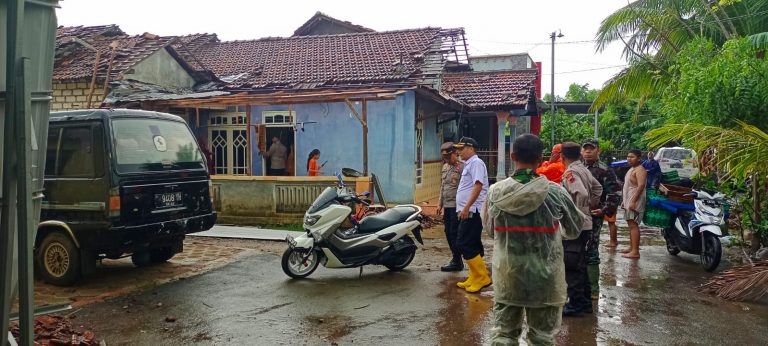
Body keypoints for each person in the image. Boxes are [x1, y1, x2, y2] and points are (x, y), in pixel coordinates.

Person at [482, 134, 584, 345]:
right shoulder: (554, 192)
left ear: (512, 156)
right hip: (545, 276)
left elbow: (491, 231)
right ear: (541, 159)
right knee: (542, 338)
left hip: (508, 274)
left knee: (503, 335)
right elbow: (574, 229)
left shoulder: (495, 192)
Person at [559, 142, 602, 317]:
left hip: (576, 226)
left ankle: (576, 303)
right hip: (585, 224)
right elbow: (597, 189)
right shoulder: (583, 169)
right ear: (579, 154)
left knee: (571, 264)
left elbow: (582, 194)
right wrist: (590, 207)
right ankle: (584, 302)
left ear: (562, 157)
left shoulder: (570, 172)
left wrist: (576, 212)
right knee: (580, 263)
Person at [452, 137, 490, 293]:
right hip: (468, 210)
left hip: (472, 211)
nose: (459, 152)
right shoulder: (470, 164)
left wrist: (467, 207)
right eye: (458, 149)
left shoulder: (476, 163)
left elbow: (478, 185)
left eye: (462, 149)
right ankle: (474, 276)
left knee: (463, 243)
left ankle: (482, 277)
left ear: (471, 148)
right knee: (472, 243)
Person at [581, 139, 622, 260]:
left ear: (598, 151)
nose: (588, 151)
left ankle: (592, 276)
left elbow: (615, 192)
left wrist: (604, 209)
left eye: (591, 149)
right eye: (585, 148)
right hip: (579, 212)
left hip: (594, 213)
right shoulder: (579, 167)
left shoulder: (604, 170)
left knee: (591, 246)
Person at [436, 142, 464, 272]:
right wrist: (439, 204)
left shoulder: (462, 167)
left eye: (448, 157)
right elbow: (443, 187)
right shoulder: (445, 167)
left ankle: (457, 260)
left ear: (455, 153)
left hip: (456, 206)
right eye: (445, 158)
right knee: (448, 232)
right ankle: (456, 259)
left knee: (454, 232)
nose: (446, 160)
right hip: (447, 205)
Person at [621, 150, 647, 259]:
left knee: (633, 225)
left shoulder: (640, 170)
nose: (629, 158)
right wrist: (624, 200)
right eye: (628, 156)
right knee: (630, 224)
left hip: (635, 200)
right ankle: (632, 247)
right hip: (629, 199)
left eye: (632, 157)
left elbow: (640, 186)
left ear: (639, 158)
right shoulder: (631, 169)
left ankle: (635, 251)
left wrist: (633, 201)